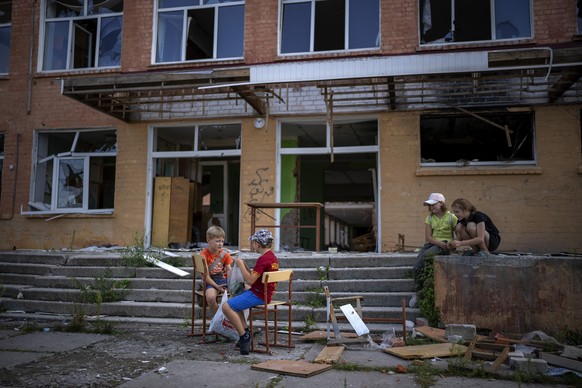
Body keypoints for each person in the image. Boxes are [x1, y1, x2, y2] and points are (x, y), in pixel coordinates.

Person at [222, 229, 279, 355]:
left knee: (226, 306)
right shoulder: (272, 257)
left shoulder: (263, 259)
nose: (252, 245)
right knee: (236, 298)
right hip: (264, 292)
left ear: (258, 244)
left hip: (259, 294)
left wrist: (240, 264)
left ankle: (244, 336)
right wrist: (246, 267)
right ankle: (246, 331)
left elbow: (250, 280)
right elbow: (256, 276)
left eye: (253, 242)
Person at [410, 193, 457, 308]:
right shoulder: (429, 218)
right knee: (416, 266)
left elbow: (457, 234)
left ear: (441, 203)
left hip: (446, 244)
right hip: (432, 244)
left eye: (433, 204)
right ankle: (418, 293)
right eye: (429, 205)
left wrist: (453, 244)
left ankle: (424, 291)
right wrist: (439, 243)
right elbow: (428, 237)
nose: (431, 207)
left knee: (427, 256)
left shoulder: (452, 217)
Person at [200, 226, 233, 313]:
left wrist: (232, 283)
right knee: (210, 297)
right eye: (217, 241)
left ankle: (231, 318)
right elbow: (205, 276)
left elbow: (229, 271)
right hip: (210, 280)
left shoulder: (225, 254)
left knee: (240, 292)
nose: (220, 244)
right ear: (209, 240)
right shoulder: (203, 255)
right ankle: (218, 319)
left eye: (222, 241)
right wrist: (216, 286)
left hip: (222, 279)